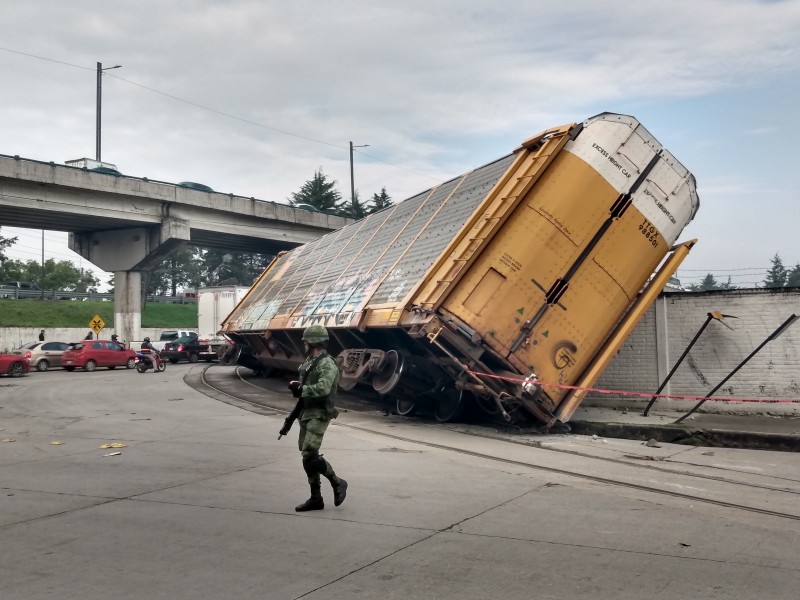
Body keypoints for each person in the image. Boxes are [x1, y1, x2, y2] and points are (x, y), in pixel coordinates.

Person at [279, 325, 347, 512]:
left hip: (319, 412)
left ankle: (337, 482)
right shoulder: (309, 361)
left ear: (314, 341)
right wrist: (290, 420)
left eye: (306, 340)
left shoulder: (327, 364)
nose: (304, 343)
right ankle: (316, 498)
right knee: (307, 456)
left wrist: (301, 389)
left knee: (309, 452)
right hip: (306, 413)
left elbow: (323, 389)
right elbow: (303, 395)